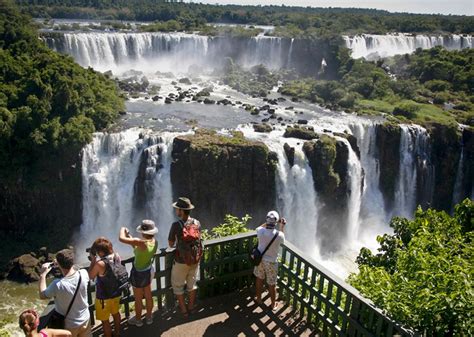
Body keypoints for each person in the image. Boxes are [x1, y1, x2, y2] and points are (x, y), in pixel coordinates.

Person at [39, 249, 91, 337]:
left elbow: (42, 295)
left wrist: (43, 275)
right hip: (86, 319)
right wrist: (59, 262)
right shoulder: (84, 273)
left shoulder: (58, 284)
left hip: (70, 326)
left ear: (59, 264)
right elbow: (74, 270)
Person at [167, 197, 202, 318]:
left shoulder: (176, 225)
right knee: (192, 284)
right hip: (195, 259)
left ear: (181, 211)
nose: (176, 211)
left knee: (177, 285)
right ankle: (191, 307)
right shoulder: (197, 223)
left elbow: (170, 244)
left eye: (177, 209)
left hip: (181, 261)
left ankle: (184, 310)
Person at [119, 220, 158, 327]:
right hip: (148, 271)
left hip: (138, 274)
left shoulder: (140, 243)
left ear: (143, 232)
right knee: (149, 296)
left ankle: (138, 320)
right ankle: (149, 317)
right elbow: (137, 246)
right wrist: (130, 236)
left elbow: (121, 239)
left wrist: (123, 229)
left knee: (138, 299)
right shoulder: (154, 241)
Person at [88, 237, 122, 337]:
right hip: (116, 293)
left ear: (101, 252)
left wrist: (93, 260)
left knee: (105, 320)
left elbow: (90, 276)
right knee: (116, 314)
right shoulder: (117, 256)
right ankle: (117, 333)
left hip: (103, 298)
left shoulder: (100, 264)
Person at [254, 210, 286, 310]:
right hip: (271, 262)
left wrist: (268, 222)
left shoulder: (261, 231)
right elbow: (282, 241)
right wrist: (281, 226)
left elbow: (259, 227)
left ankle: (259, 299)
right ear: (275, 222)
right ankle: (273, 304)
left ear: (267, 221)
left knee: (259, 279)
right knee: (272, 284)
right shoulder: (279, 235)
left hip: (260, 260)